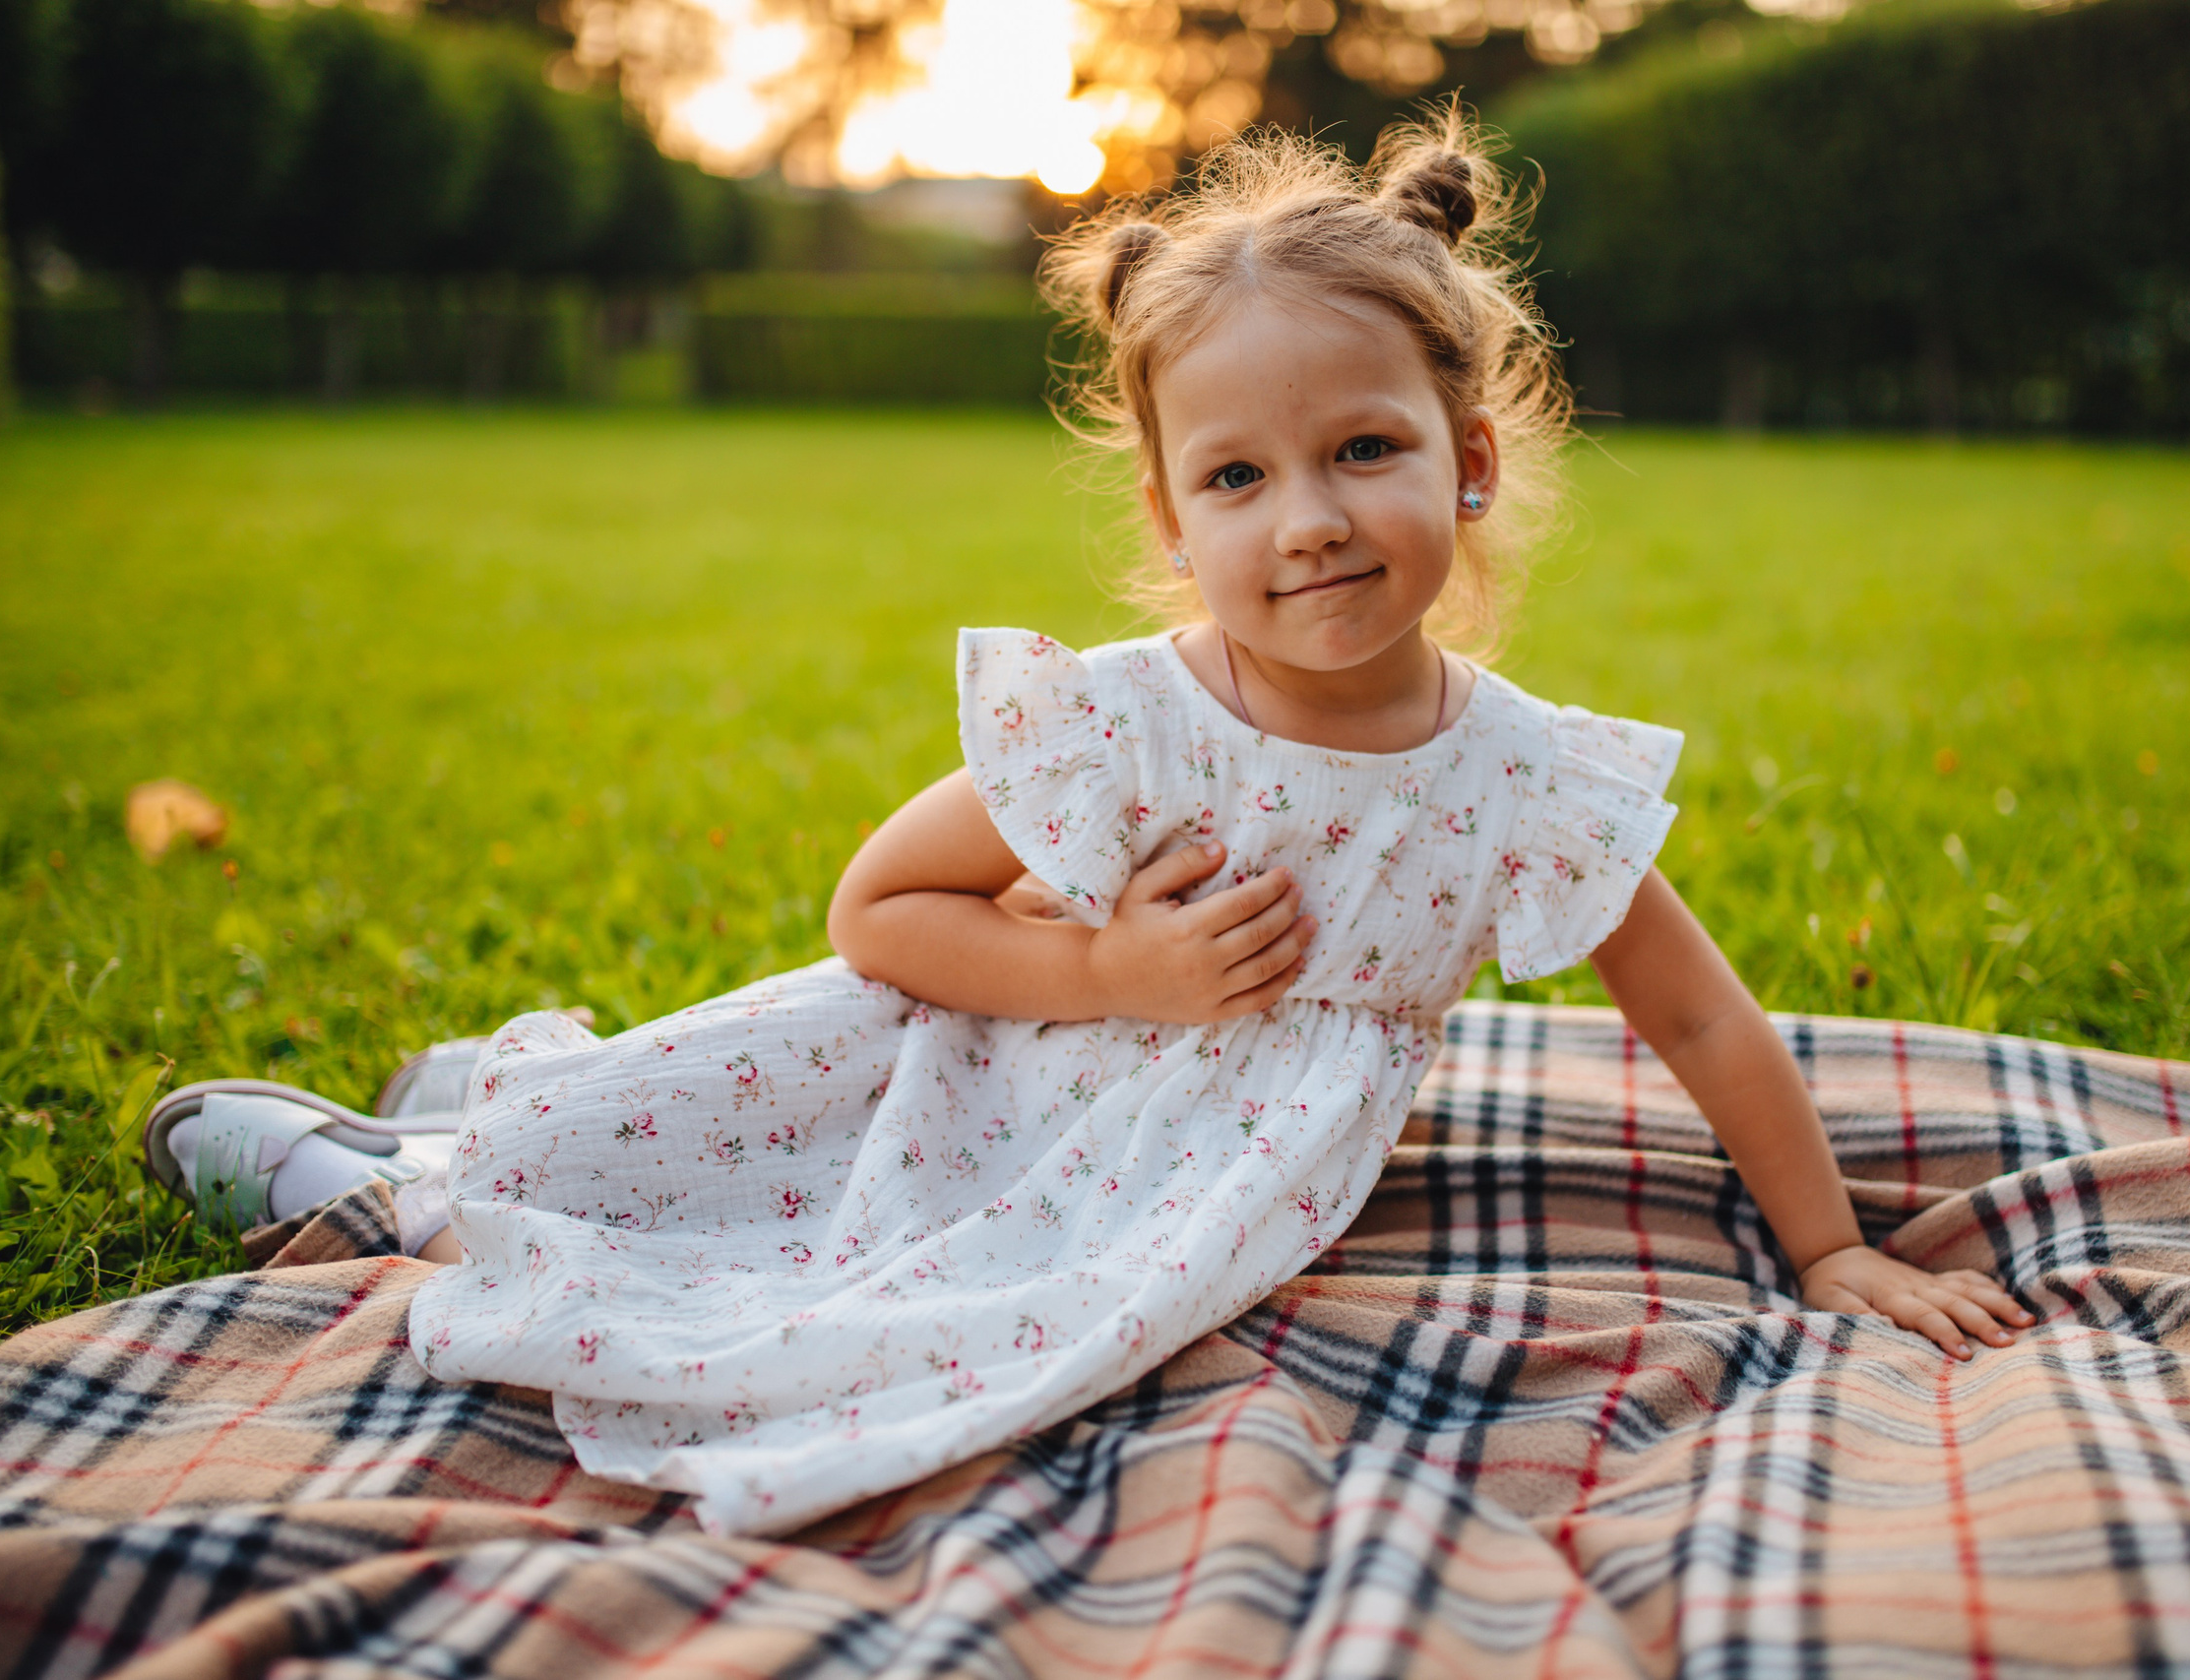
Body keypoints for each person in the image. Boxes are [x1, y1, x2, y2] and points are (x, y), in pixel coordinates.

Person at [146, 111, 2031, 1539]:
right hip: (975, 1057)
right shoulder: (1135, 725)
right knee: (723, 1175)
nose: (1306, 517)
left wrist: (1830, 1248)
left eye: (1364, 448)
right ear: (1171, 509)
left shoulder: (1522, 775)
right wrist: (1109, 965)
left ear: (1468, 455)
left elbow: (1699, 1016)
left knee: (932, 1315)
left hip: (1190, 1176)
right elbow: (881, 911)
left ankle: (461, 1122)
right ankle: (399, 1181)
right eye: (1239, 474)